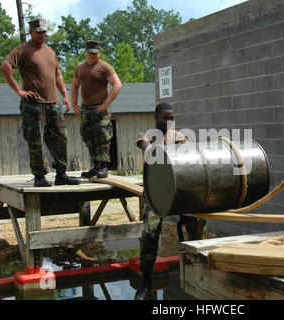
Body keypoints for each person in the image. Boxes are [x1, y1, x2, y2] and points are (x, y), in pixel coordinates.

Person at [134, 102, 207, 300]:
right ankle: (145, 283)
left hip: (180, 193)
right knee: (150, 234)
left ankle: (199, 275)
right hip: (155, 193)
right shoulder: (147, 135)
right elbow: (149, 150)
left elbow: (190, 160)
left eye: (172, 117)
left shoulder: (180, 137)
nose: (169, 121)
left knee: (193, 228)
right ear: (156, 117)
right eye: (166, 117)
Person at [1, 18, 80, 187]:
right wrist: (19, 91)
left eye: (44, 32)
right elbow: (5, 66)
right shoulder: (22, 50)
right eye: (39, 32)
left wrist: (64, 95)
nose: (43, 35)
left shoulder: (50, 51)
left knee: (61, 138)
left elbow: (57, 74)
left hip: (54, 104)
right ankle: (39, 177)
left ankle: (61, 174)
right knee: (36, 140)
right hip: (34, 104)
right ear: (30, 32)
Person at [71, 40, 122, 179]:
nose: (93, 55)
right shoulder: (80, 67)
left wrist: (106, 103)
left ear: (99, 52)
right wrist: (75, 105)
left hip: (100, 108)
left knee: (102, 136)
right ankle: (95, 166)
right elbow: (75, 86)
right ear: (86, 52)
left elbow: (117, 84)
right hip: (86, 108)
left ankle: (103, 167)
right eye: (90, 52)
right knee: (88, 136)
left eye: (95, 53)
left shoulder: (105, 67)